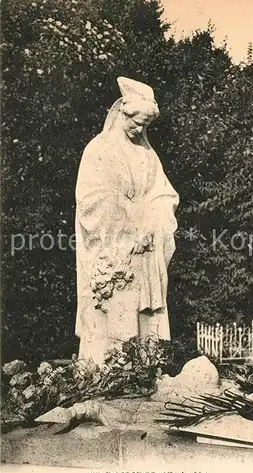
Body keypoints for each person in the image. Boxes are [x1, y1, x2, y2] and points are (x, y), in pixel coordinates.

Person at [75, 77, 179, 365]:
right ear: (122, 112)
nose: (139, 129)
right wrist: (130, 229)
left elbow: (164, 194)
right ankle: (115, 370)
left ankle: (146, 368)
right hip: (117, 247)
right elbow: (93, 198)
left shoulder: (148, 154)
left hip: (147, 247)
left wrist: (155, 223)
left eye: (145, 125)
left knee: (145, 314)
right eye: (136, 122)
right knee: (119, 309)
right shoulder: (99, 149)